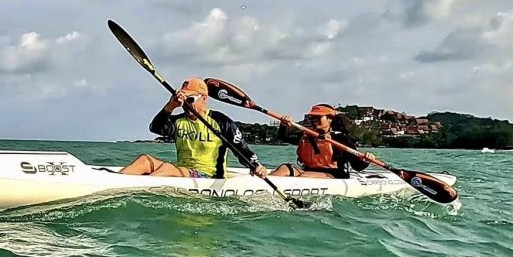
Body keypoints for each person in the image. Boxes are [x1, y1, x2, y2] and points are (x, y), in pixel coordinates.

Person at [121, 77, 267, 179]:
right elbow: (155, 128)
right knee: (144, 160)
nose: (186, 105)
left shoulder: (221, 122)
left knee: (167, 168)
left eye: (190, 100)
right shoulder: (178, 121)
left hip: (209, 176)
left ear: (204, 98)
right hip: (182, 172)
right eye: (184, 100)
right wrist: (170, 106)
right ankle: (115, 182)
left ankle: (141, 188)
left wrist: (256, 165)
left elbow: (242, 149)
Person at [270, 104, 375, 178]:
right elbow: (283, 137)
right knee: (284, 168)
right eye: (312, 117)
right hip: (308, 171)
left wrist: (366, 160)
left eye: (318, 117)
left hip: (333, 175)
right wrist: (283, 125)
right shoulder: (306, 135)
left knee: (306, 176)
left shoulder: (340, 139)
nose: (314, 120)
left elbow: (357, 166)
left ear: (330, 119)